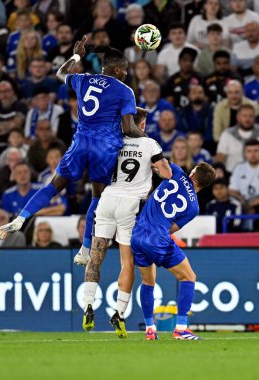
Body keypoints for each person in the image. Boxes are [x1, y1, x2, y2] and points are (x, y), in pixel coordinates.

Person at [0, 36, 144, 264]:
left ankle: (21, 218)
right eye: (123, 71)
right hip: (105, 147)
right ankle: (85, 248)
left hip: (80, 142)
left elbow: (60, 73)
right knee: (97, 195)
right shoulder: (125, 91)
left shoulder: (84, 79)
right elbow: (128, 127)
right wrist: (146, 140)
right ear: (115, 70)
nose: (126, 75)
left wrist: (76, 55)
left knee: (53, 186)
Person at [82, 107, 172, 337]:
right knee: (127, 263)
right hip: (130, 206)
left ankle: (88, 305)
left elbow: (97, 168)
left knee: (96, 256)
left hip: (108, 199)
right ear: (141, 125)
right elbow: (167, 173)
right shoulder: (149, 144)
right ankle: (119, 312)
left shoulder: (113, 141)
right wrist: (154, 166)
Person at [131, 162, 215, 340]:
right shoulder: (194, 208)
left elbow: (154, 164)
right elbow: (171, 228)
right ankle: (181, 328)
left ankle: (150, 330)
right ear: (206, 186)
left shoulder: (176, 171)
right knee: (189, 277)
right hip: (157, 238)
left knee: (147, 282)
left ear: (192, 173)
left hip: (137, 234)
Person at [216, 104, 259, 172]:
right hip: (231, 174)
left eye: (251, 116)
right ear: (238, 117)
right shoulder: (227, 134)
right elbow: (220, 157)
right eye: (244, 116)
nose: (248, 119)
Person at [229, 138, 259, 229]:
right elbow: (231, 191)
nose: (253, 154)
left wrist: (252, 204)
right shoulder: (239, 168)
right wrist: (244, 203)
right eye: (249, 151)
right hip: (242, 203)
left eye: (256, 151)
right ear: (245, 153)